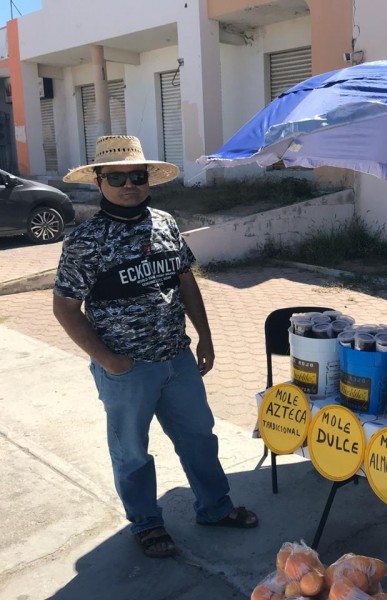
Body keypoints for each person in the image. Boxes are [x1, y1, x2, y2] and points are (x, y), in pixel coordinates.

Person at [53, 135, 258, 558]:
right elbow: (65, 308)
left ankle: (215, 508)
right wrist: (109, 360)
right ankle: (147, 523)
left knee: (200, 437)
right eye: (118, 177)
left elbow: (185, 281)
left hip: (177, 358)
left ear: (148, 179)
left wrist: (205, 335)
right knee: (131, 451)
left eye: (137, 175)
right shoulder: (86, 239)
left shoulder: (165, 223)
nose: (129, 184)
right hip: (127, 369)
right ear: (99, 180)